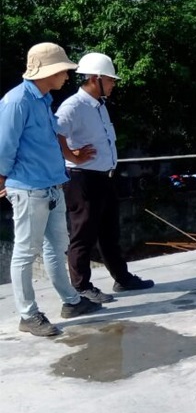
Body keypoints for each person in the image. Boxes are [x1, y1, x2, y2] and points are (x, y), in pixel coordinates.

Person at [0, 42, 103, 337]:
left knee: (56, 247)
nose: (67, 76)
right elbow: (4, 145)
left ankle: (71, 301)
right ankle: (28, 314)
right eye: (64, 71)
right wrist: (2, 177)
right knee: (25, 252)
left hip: (51, 185)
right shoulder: (17, 101)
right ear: (49, 72)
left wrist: (72, 158)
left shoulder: (43, 99)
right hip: (29, 188)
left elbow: (52, 138)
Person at [56, 52, 154, 300]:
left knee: (110, 232)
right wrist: (72, 154)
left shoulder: (99, 106)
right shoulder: (73, 106)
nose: (113, 85)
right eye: (110, 80)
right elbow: (54, 135)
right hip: (82, 178)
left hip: (104, 177)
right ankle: (81, 288)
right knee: (83, 234)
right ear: (95, 78)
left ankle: (122, 278)